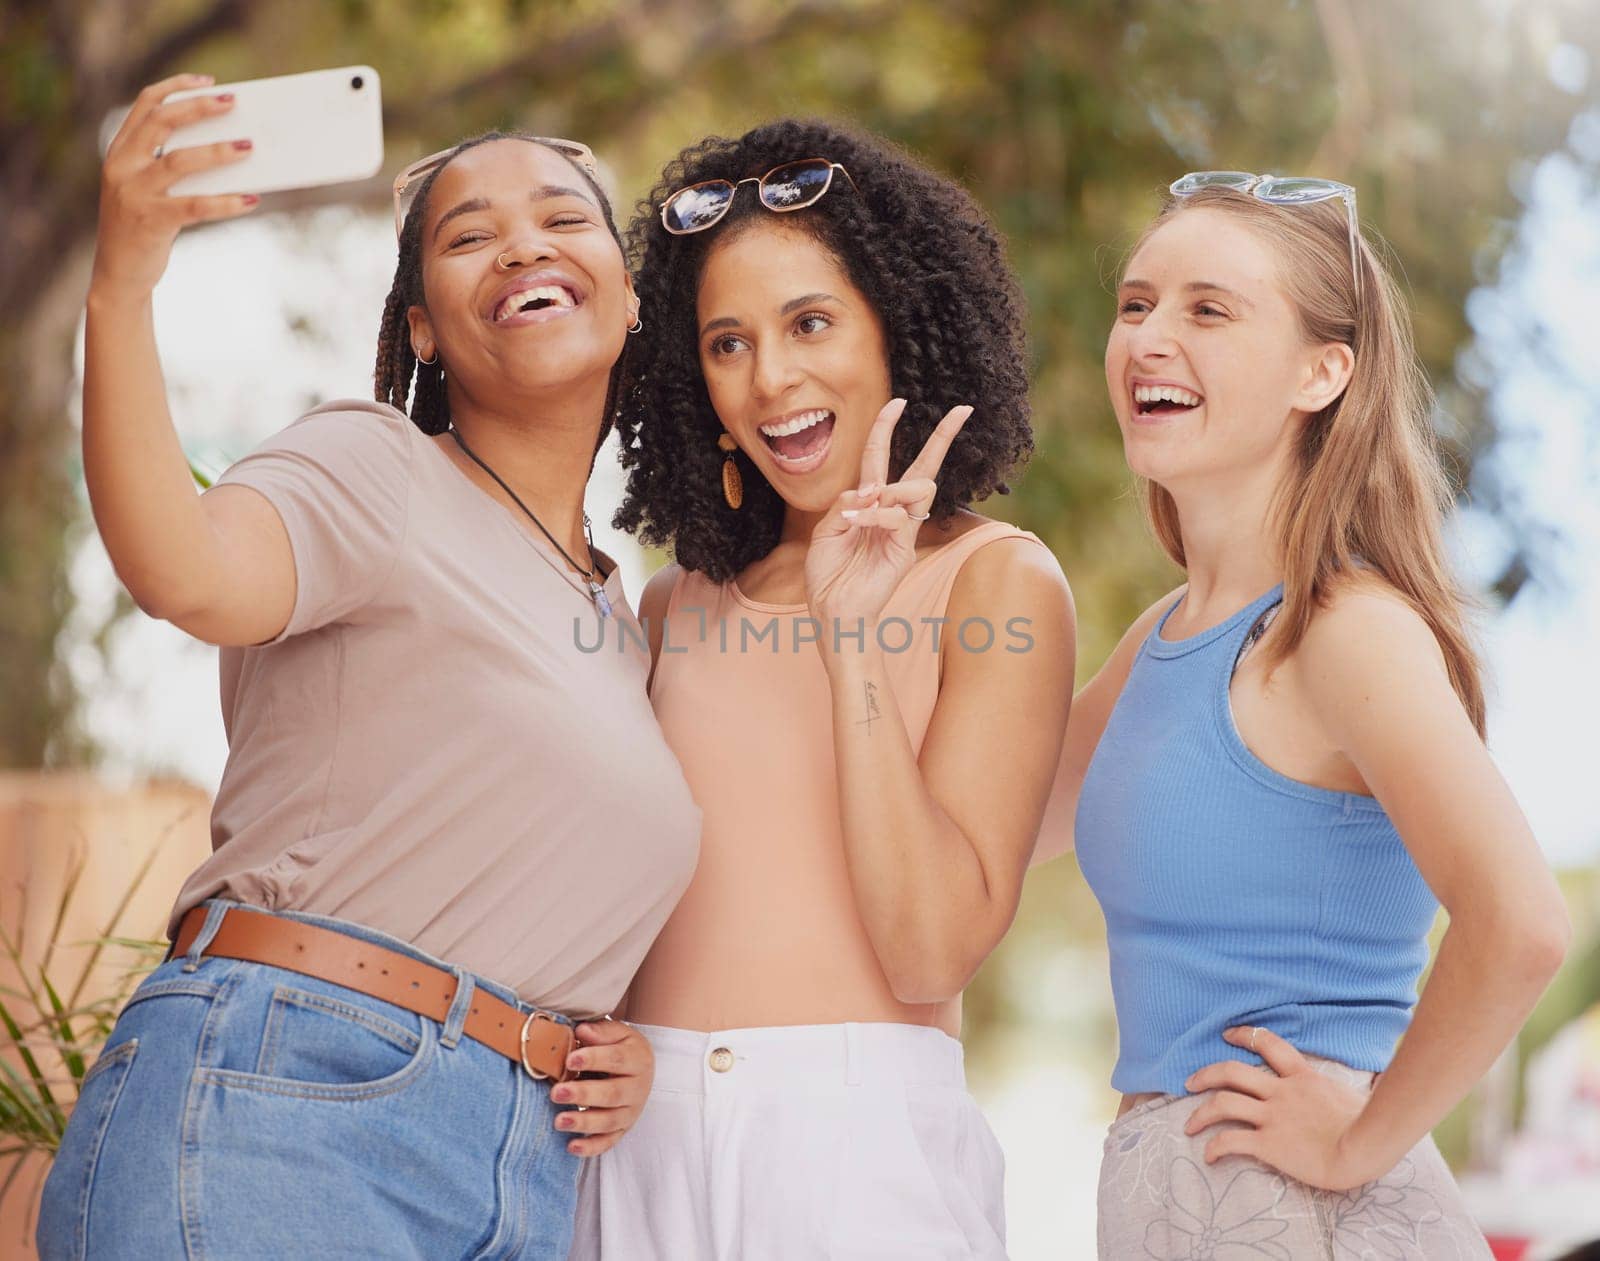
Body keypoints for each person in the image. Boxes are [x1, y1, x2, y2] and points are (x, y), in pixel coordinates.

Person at [38, 74, 699, 1260]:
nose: (520, 247)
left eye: (562, 217)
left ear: (632, 295)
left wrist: (609, 1044)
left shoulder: (622, 616)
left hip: (516, 1163)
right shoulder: (379, 465)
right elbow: (183, 568)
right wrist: (123, 277)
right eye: (469, 236)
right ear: (423, 327)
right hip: (286, 1096)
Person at [1038, 171, 1569, 1257]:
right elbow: (983, 833)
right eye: (1136, 303)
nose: (1148, 337)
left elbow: (1522, 924)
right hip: (1181, 1200)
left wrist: (1356, 1142)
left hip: (1298, 1210)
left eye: (1208, 309)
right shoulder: (1162, 637)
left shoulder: (1343, 629)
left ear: (1322, 371)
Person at [570, 119, 1075, 1260]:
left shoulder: (996, 578)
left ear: (897, 329)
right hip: (637, 1150)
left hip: (854, 1155)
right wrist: (611, 1039)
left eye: (809, 323)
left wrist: (852, 635)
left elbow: (929, 949)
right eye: (727, 343)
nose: (773, 379)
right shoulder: (674, 607)